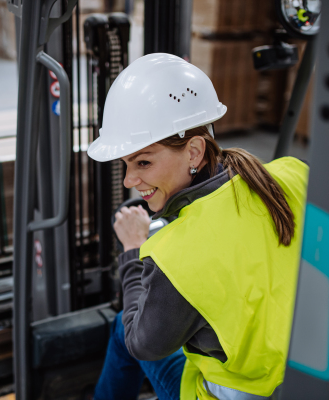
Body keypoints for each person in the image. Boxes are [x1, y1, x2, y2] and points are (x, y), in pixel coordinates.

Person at [86, 53, 308, 400]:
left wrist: (132, 251)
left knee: (122, 330)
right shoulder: (293, 175)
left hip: (234, 392)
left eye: (143, 162)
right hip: (297, 379)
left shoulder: (177, 258)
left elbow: (142, 344)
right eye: (126, 165)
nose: (130, 179)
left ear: (194, 152)